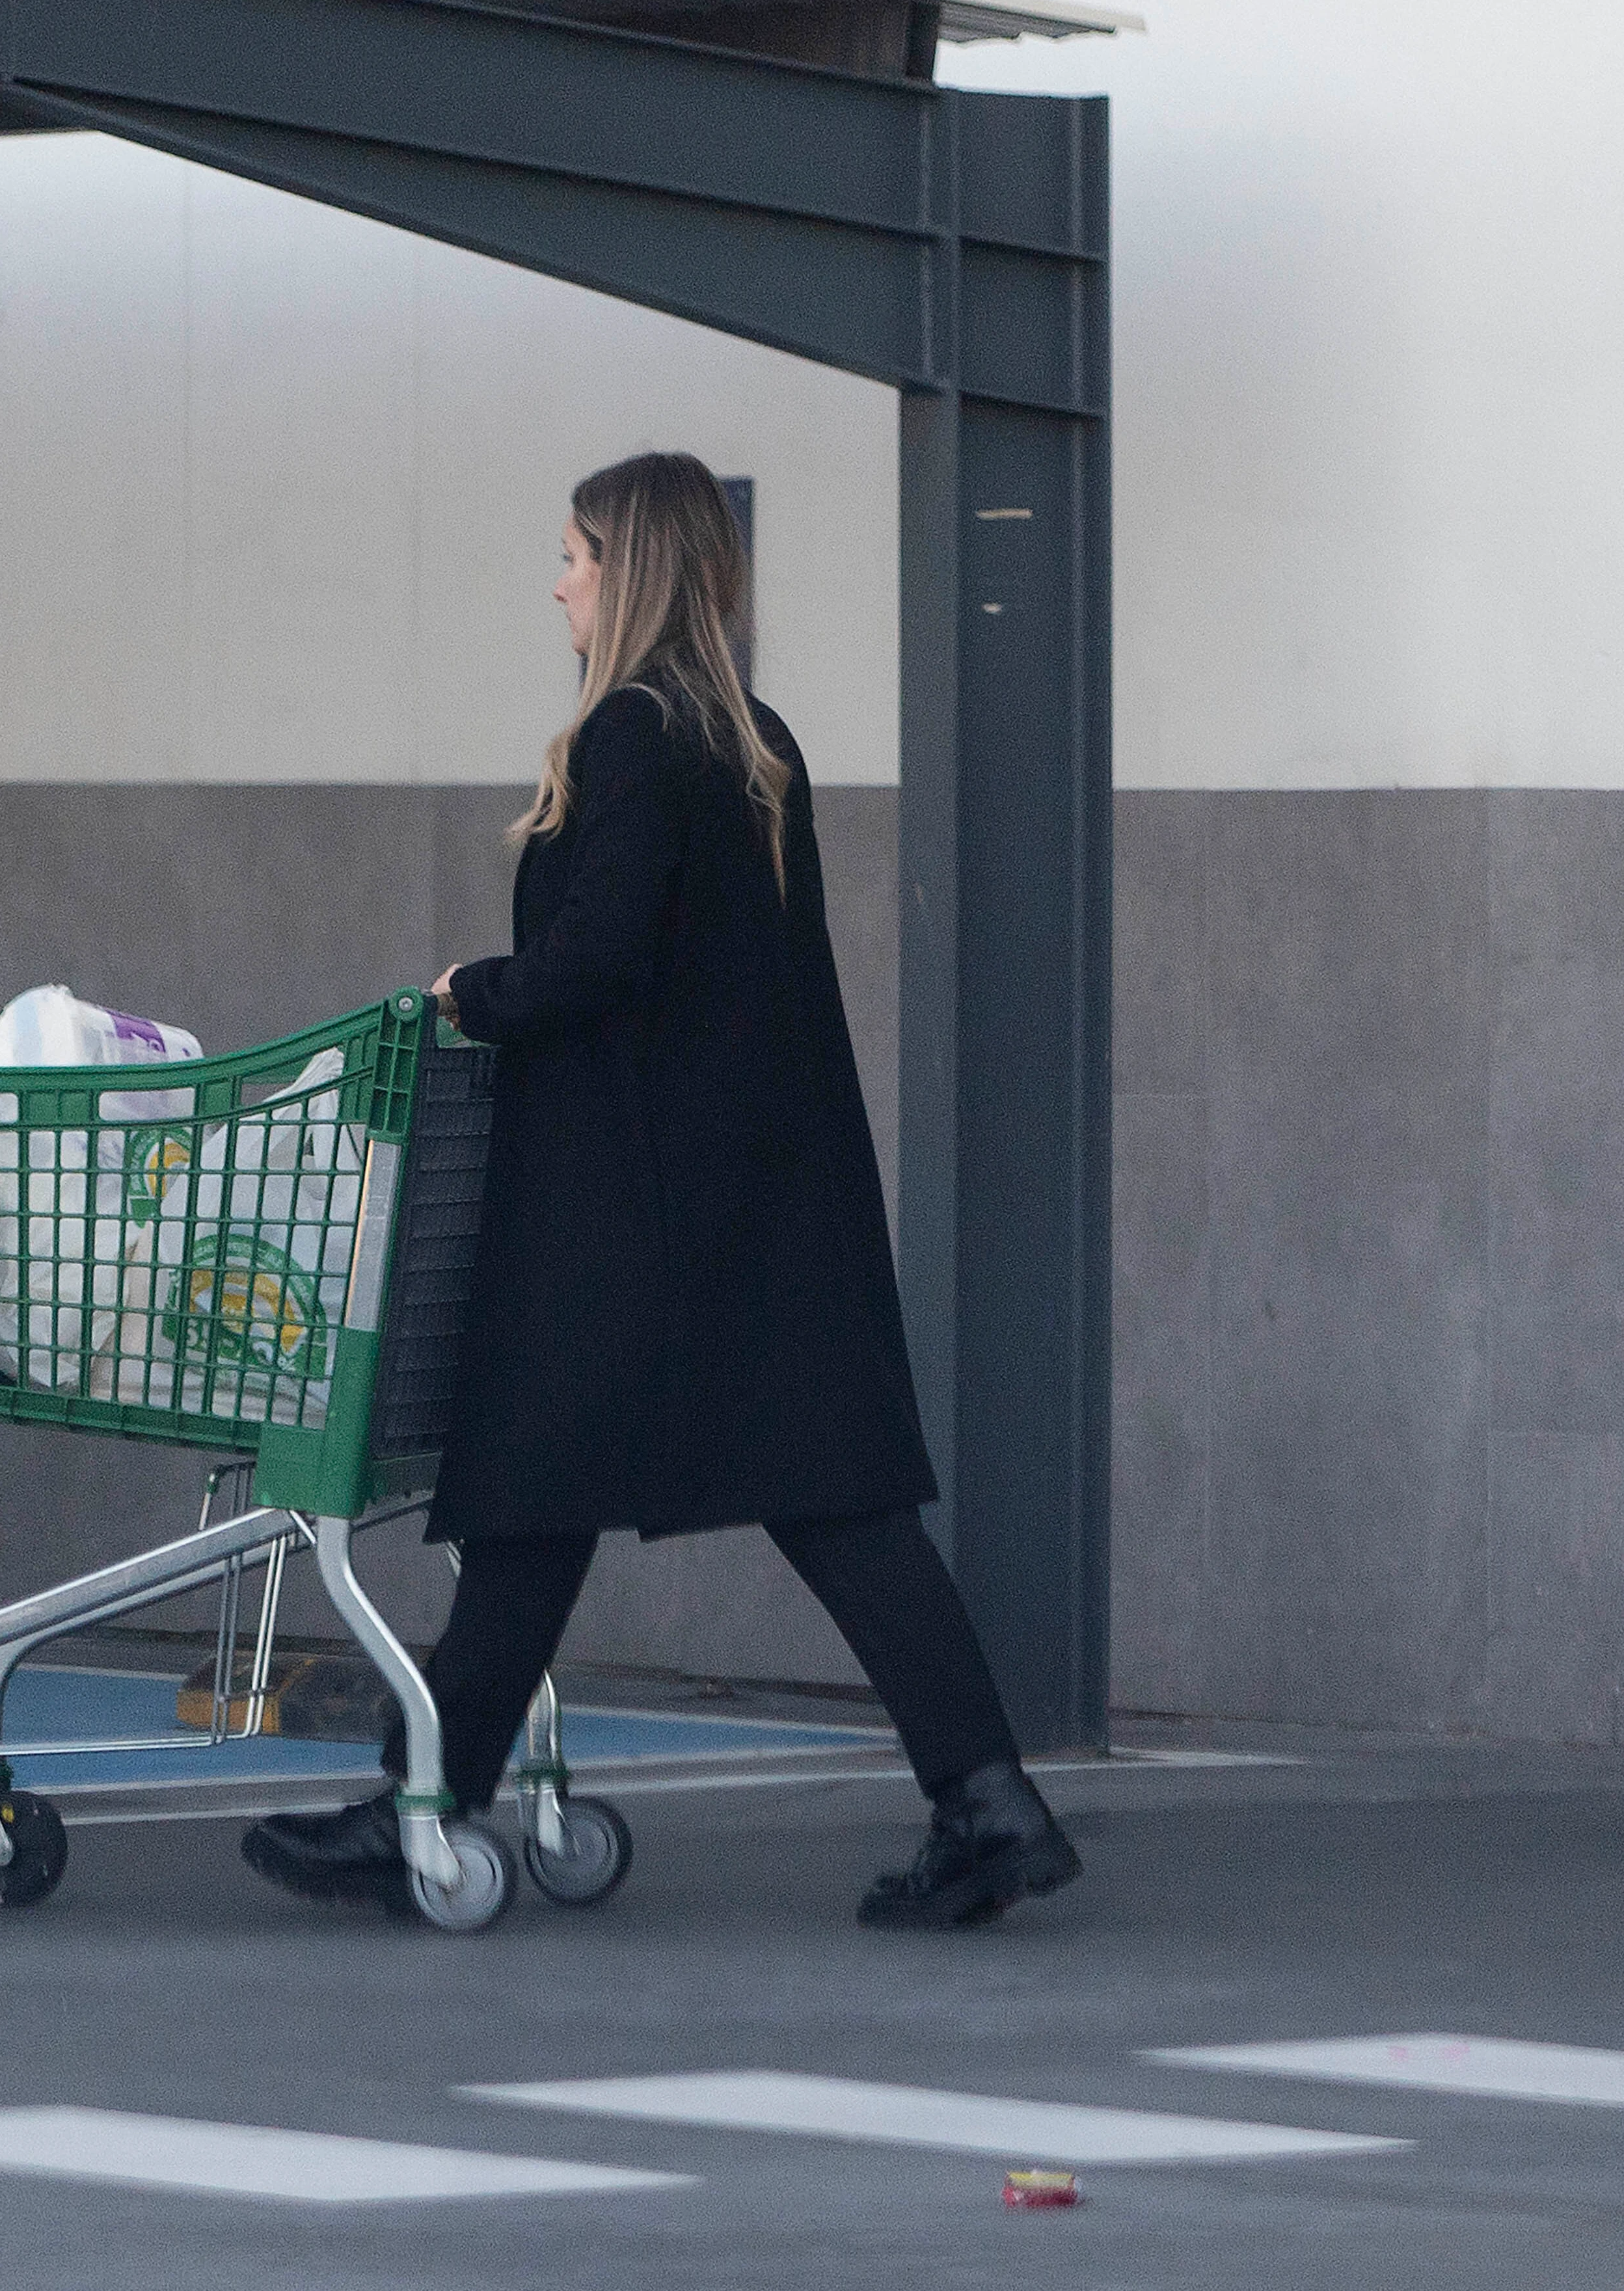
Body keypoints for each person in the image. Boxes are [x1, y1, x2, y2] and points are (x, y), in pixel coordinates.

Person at [240, 450, 1080, 1931]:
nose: (553, 578)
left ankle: (418, 1805)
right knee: (828, 1506)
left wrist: (470, 991)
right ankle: (986, 1796)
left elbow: (604, 959)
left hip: (625, 1217)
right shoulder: (752, 739)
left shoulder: (629, 736)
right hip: (758, 1199)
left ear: (624, 569)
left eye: (570, 551)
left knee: (525, 1498)